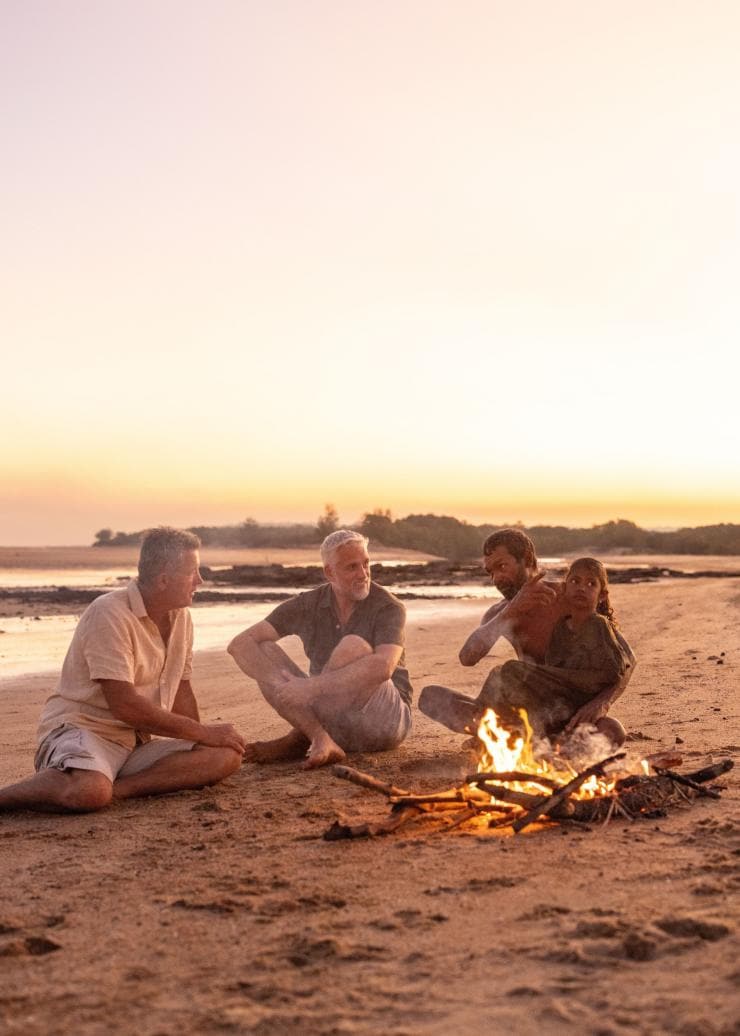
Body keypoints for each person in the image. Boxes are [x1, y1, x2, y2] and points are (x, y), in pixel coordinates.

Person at [0, 527, 246, 814]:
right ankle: (55, 787)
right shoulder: (108, 613)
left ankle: (116, 790)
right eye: (193, 572)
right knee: (88, 791)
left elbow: (181, 689)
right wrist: (203, 732)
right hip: (83, 731)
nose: (200, 580)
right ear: (164, 579)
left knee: (225, 755)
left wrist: (202, 740)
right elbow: (125, 705)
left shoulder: (182, 618)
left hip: (135, 743)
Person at [419, 530, 632, 743]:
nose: (497, 578)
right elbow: (467, 657)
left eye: (502, 567)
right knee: (430, 697)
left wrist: (601, 703)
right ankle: (504, 734)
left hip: (571, 710)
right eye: (490, 572)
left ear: (528, 561)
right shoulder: (500, 613)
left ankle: (507, 738)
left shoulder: (569, 597)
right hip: (524, 711)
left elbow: (627, 661)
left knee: (612, 732)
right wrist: (512, 611)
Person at [228, 529, 412, 769]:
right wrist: (279, 683)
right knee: (263, 649)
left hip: (383, 721)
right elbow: (239, 644)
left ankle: (299, 738)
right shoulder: (307, 604)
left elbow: (383, 667)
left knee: (352, 646)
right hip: (330, 718)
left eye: (366, 564)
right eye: (352, 567)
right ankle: (319, 737)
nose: (363, 574)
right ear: (329, 572)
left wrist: (309, 687)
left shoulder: (388, 606)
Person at [477, 557, 634, 746]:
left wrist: (599, 702)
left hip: (584, 697)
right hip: (561, 703)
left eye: (591, 584)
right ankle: (497, 731)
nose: (582, 588)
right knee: (504, 677)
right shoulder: (561, 626)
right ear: (565, 588)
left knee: (612, 731)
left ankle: (540, 741)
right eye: (575, 581)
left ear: (601, 595)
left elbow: (615, 672)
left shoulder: (598, 624)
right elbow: (553, 664)